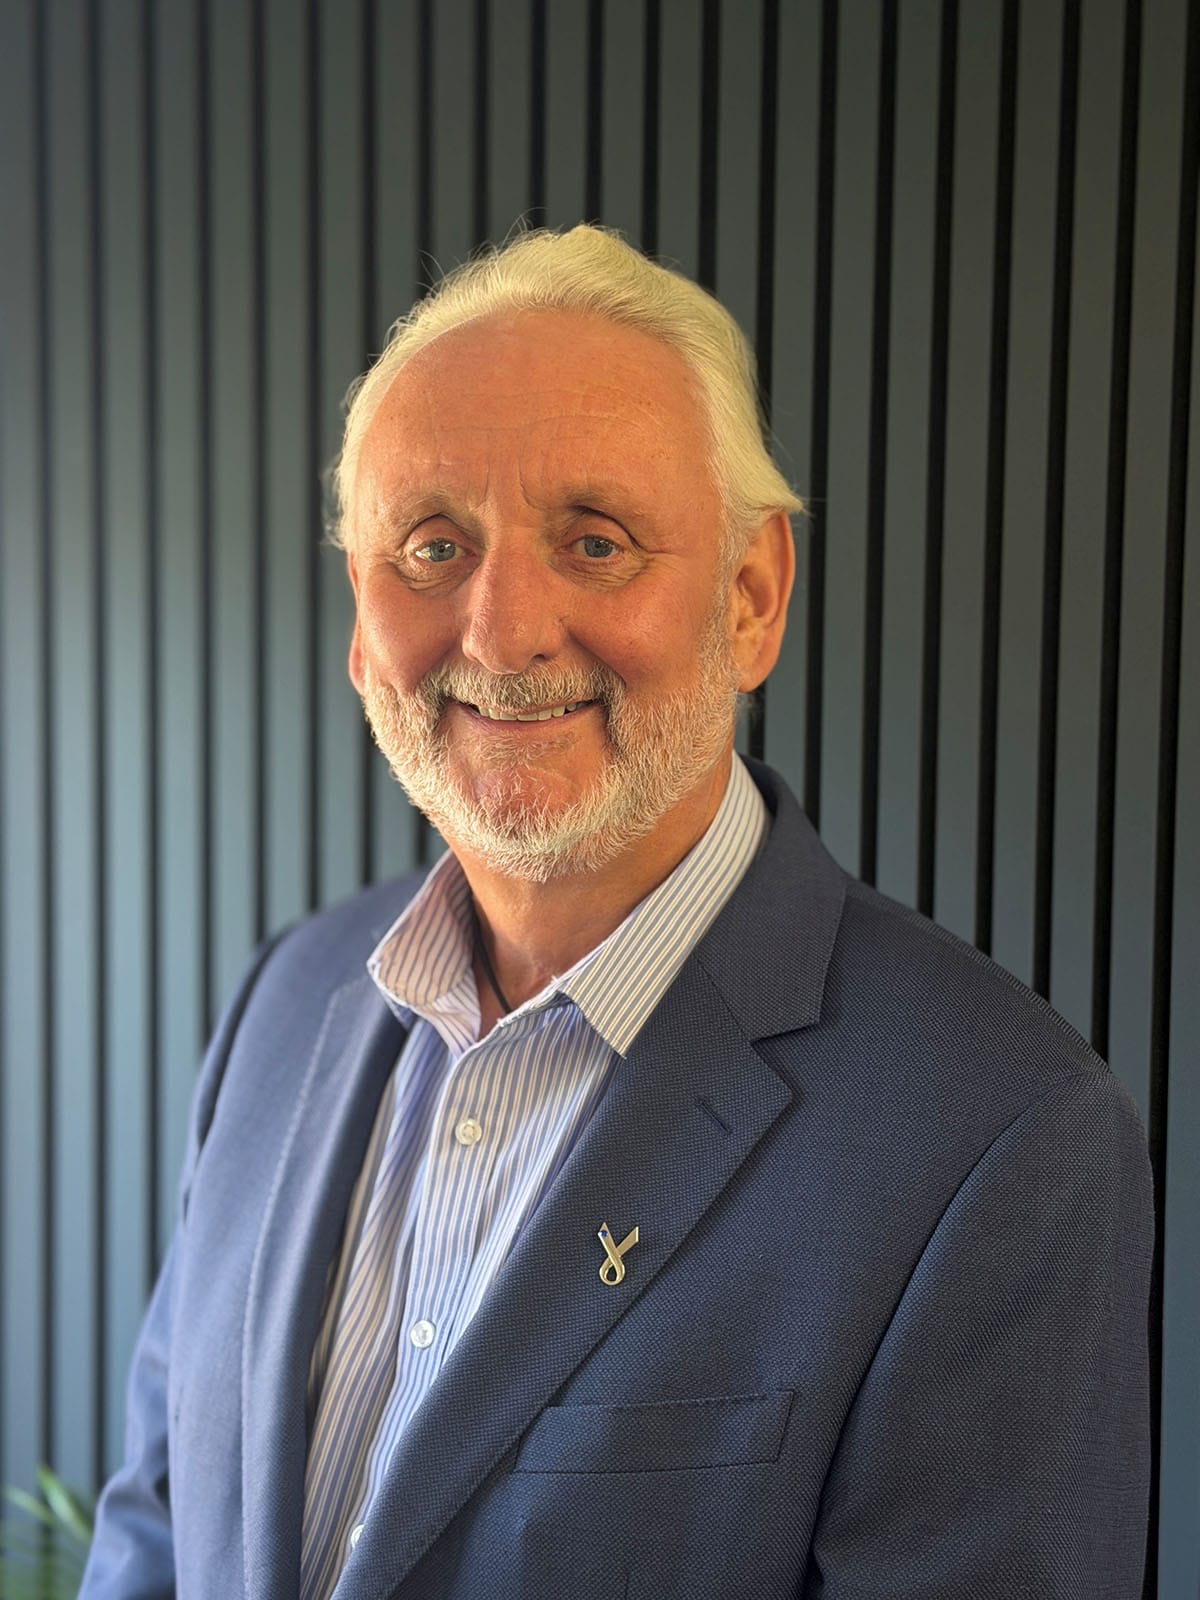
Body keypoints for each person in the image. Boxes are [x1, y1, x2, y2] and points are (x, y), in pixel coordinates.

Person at [81, 225, 1152, 1600]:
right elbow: (159, 1535)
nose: (501, 630)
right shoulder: (281, 1006)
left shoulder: (1000, 1138)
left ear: (752, 596)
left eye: (594, 542)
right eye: (431, 545)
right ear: (361, 615)